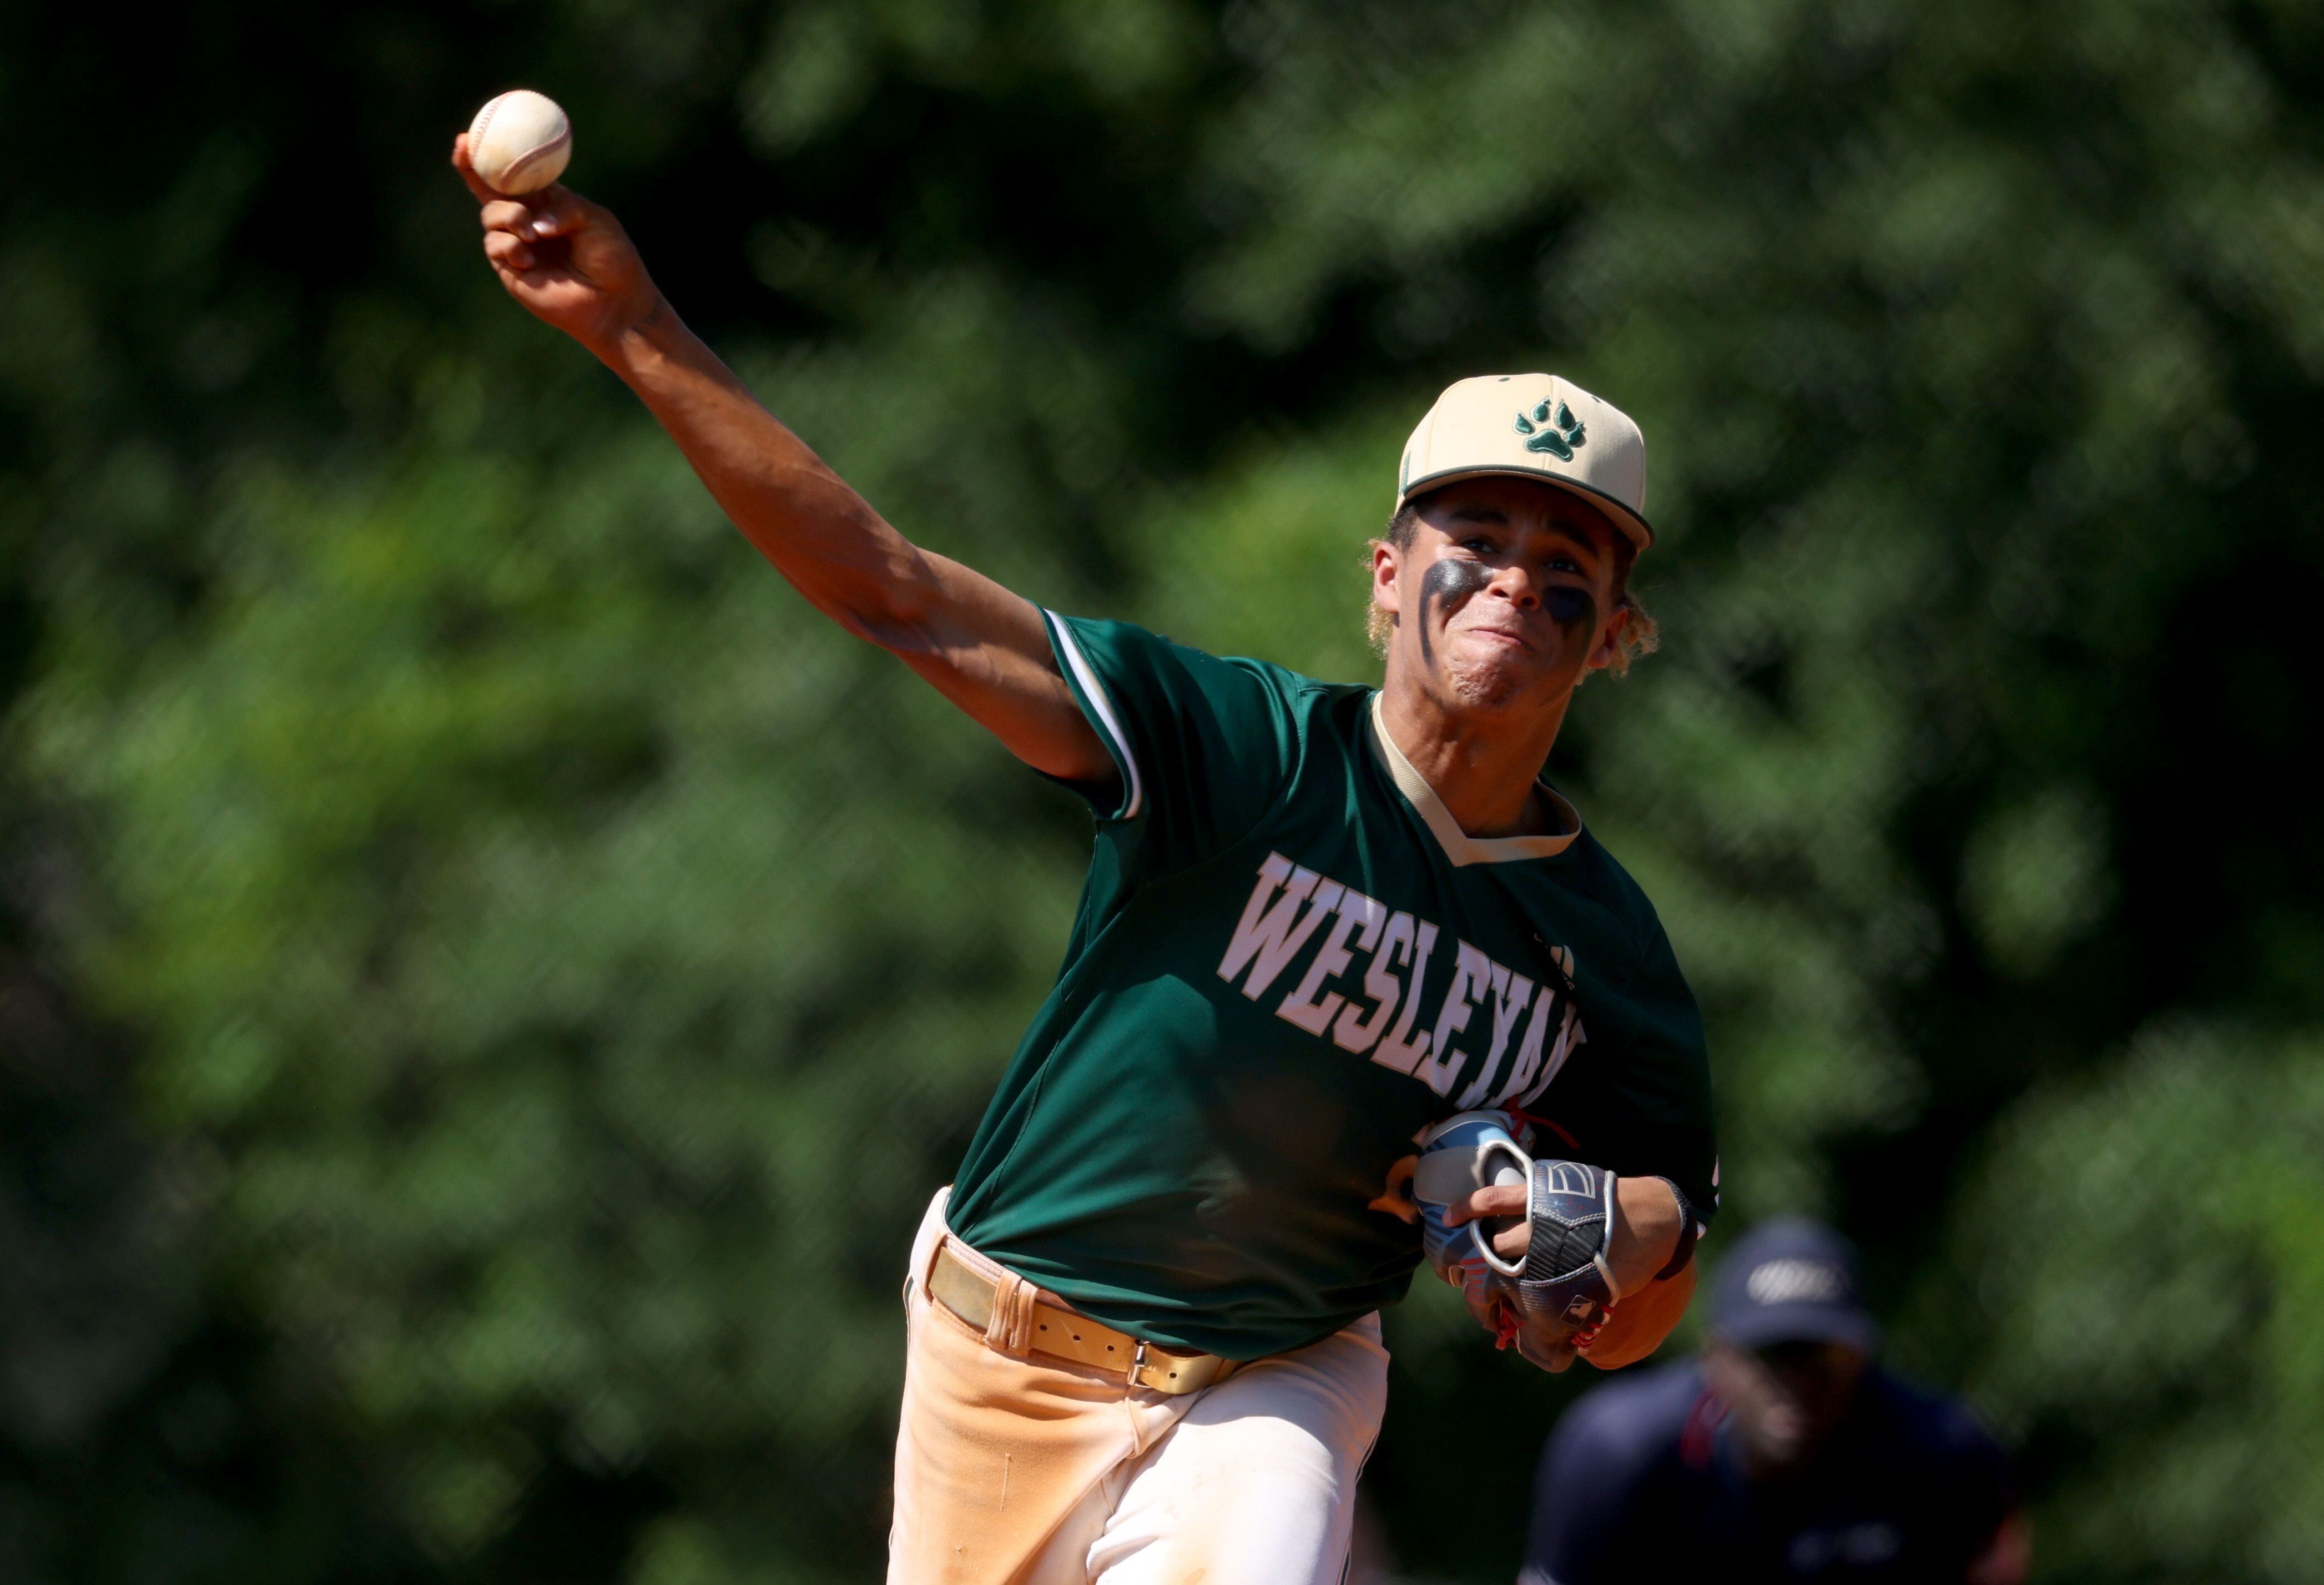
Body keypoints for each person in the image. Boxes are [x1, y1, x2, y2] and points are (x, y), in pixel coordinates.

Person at [452, 140, 1717, 1585]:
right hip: (1001, 1340)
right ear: (1383, 573)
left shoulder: (1598, 935)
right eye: (1473, 530)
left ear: (1613, 632)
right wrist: (635, 328)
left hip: (1274, 1375)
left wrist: (1614, 1233)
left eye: (1570, 556)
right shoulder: (1240, 751)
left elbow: (1653, 1265)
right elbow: (896, 590)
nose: (1512, 572)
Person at [1520, 1217, 2031, 1585]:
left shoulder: (1945, 1457)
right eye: (1771, 1351)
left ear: (1862, 1358)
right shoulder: (1619, 1454)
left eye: (1822, 1353)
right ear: (1716, 1359)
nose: (1797, 1378)